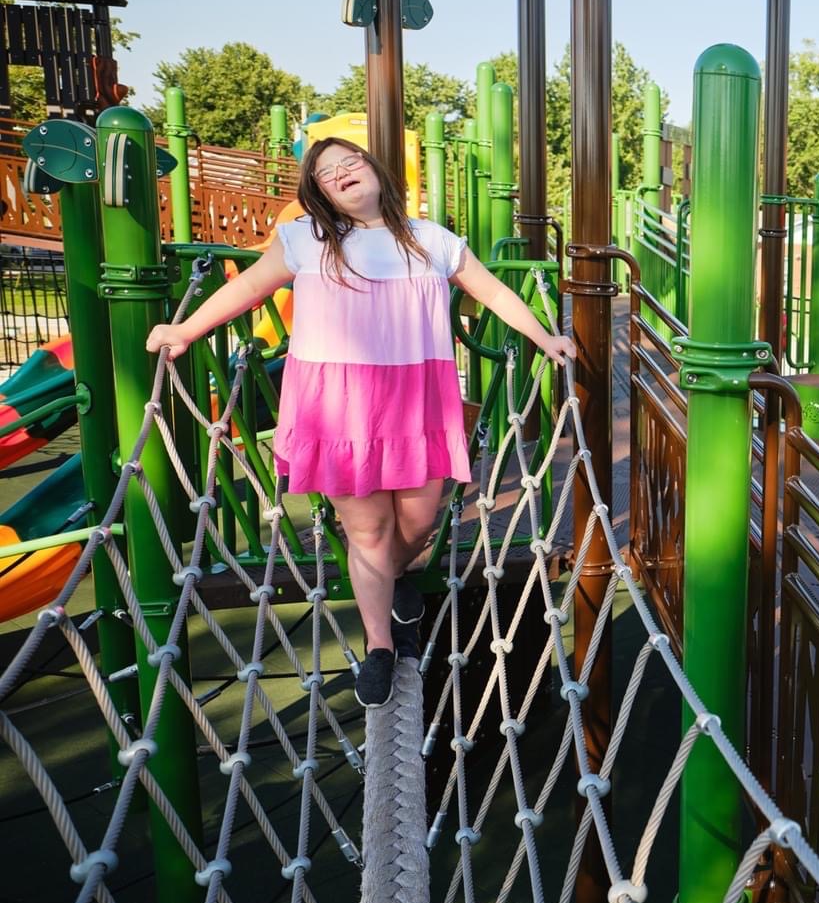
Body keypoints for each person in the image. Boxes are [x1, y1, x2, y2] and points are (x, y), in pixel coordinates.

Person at [145, 137, 572, 709]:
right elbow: (247, 288)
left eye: (351, 162)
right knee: (368, 530)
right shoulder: (307, 239)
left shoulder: (432, 240)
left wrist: (545, 336)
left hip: (416, 394)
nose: (342, 174)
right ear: (318, 194)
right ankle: (379, 646)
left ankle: (388, 581)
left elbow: (492, 291)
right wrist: (185, 331)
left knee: (419, 519)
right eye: (327, 174)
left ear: (375, 171)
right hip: (340, 401)